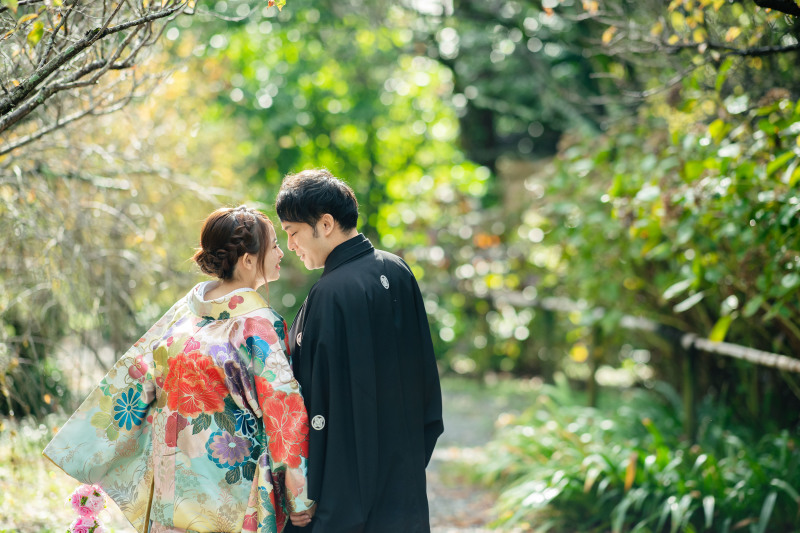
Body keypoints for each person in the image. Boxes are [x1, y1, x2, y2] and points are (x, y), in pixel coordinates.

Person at [44, 206, 314, 533]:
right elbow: (284, 410)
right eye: (274, 245)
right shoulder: (258, 326)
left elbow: (134, 379)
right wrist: (299, 496)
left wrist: (88, 447)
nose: (281, 252)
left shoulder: (182, 316)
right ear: (247, 260)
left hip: (170, 489)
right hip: (231, 494)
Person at [275, 169, 444, 533]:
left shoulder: (331, 293)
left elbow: (313, 402)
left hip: (344, 492)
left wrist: (305, 489)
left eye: (292, 233)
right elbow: (426, 380)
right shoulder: (397, 269)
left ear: (325, 224)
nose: (290, 245)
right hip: (402, 481)